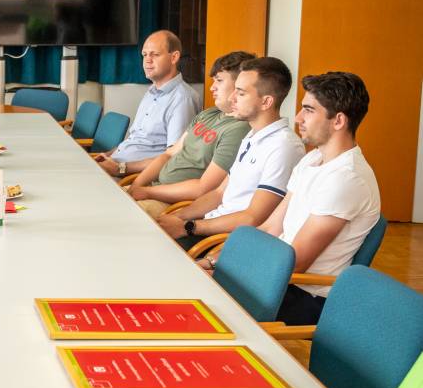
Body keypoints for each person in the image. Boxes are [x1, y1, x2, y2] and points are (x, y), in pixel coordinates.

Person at [256, 71, 380, 324]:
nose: (298, 118)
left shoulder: (346, 178)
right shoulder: (312, 159)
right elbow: (271, 227)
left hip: (304, 294)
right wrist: (218, 260)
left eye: (309, 110)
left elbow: (296, 263)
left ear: (338, 121)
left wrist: (233, 269)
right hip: (279, 277)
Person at [156, 57, 305, 250]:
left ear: (266, 102)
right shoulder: (252, 135)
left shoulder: (284, 146)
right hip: (208, 226)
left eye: (241, 93)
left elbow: (253, 217)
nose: (232, 98)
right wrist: (177, 217)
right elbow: (219, 193)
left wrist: (189, 227)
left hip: (224, 240)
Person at [128, 51, 253, 218]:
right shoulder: (208, 114)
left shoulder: (238, 129)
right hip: (153, 188)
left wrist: (147, 192)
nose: (212, 87)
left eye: (219, 80)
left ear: (239, 86)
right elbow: (169, 154)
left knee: (118, 214)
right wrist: (136, 186)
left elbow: (203, 187)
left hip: (173, 203)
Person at [96, 30, 201, 178]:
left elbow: (174, 158)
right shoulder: (152, 92)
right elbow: (136, 140)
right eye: (144, 55)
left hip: (131, 176)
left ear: (174, 57)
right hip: (117, 167)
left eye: (155, 54)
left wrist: (121, 168)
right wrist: (107, 156)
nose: (147, 60)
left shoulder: (183, 99)